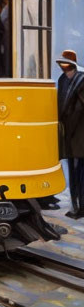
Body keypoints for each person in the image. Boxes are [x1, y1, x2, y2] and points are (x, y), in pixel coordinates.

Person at [58, 49, 84, 218]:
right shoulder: (63, 79)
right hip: (70, 135)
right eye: (62, 64)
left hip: (80, 135)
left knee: (80, 173)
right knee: (74, 173)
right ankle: (76, 207)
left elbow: (78, 109)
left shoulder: (81, 80)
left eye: (66, 64)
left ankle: (81, 208)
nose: (63, 68)